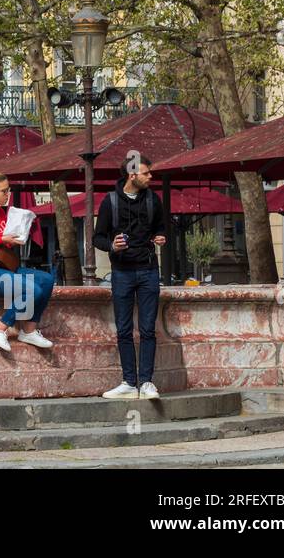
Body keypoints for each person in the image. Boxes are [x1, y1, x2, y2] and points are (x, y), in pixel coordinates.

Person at [95, 155, 169, 400]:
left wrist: (160, 237)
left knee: (148, 329)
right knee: (124, 330)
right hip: (122, 272)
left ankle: (146, 382)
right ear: (132, 175)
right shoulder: (110, 202)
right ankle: (128, 382)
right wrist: (112, 246)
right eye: (146, 173)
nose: (151, 177)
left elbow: (162, 227)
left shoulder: (153, 200)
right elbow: (98, 238)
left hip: (148, 270)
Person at [0, 171, 56, 352]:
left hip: (3, 266)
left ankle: (28, 330)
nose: (8, 195)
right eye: (4, 191)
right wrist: (1, 239)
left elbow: (2, 243)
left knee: (46, 280)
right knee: (31, 290)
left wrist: (18, 235)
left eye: (9, 190)